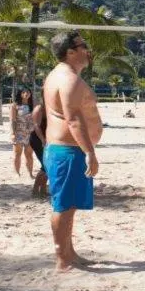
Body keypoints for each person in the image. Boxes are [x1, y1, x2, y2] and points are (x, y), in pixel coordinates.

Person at [43, 31, 103, 272]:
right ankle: (62, 259)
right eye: (82, 45)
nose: (86, 49)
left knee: (69, 206)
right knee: (64, 206)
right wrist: (90, 153)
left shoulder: (61, 76)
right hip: (68, 151)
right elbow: (74, 119)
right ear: (70, 52)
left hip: (65, 150)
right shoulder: (68, 79)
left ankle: (70, 252)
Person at [10, 88, 35, 179]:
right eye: (23, 92)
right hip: (19, 133)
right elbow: (13, 120)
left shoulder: (33, 105)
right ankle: (17, 173)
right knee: (17, 154)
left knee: (29, 154)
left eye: (28, 92)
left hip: (30, 133)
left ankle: (30, 174)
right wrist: (13, 133)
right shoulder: (15, 105)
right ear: (20, 94)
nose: (26, 94)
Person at [29, 98, 48, 198]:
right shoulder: (39, 109)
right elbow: (36, 126)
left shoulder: (51, 107)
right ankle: (35, 190)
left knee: (47, 166)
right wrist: (43, 140)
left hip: (47, 139)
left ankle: (43, 190)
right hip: (37, 140)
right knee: (46, 165)